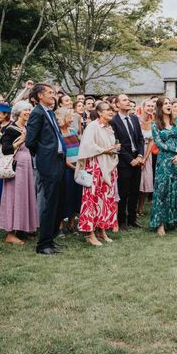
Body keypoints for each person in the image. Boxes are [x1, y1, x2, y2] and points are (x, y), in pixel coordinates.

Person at [25, 83, 66, 255]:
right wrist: (44, 155)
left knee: (58, 203)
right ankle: (43, 245)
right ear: (40, 96)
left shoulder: (49, 112)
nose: (53, 95)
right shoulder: (37, 113)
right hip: (48, 163)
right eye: (50, 93)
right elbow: (30, 142)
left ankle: (51, 238)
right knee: (49, 203)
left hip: (58, 161)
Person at [77, 102, 121, 246]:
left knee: (105, 199)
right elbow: (87, 145)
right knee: (92, 200)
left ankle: (101, 230)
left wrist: (114, 148)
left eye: (111, 110)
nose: (111, 112)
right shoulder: (92, 126)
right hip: (95, 167)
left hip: (107, 167)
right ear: (100, 112)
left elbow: (109, 145)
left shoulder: (109, 127)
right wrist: (105, 150)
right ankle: (89, 233)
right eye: (108, 110)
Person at [0, 101, 38, 245]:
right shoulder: (11, 129)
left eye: (29, 110)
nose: (28, 112)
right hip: (17, 166)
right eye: (25, 110)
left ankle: (23, 228)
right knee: (15, 197)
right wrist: (21, 140)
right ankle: (10, 233)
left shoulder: (27, 127)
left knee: (25, 196)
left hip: (28, 165)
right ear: (18, 112)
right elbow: (5, 149)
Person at [150, 98, 177, 235]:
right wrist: (175, 151)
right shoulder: (155, 124)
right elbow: (158, 142)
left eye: (169, 103)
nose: (168, 106)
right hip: (165, 161)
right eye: (165, 104)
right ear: (160, 107)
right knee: (163, 191)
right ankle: (160, 223)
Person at [110, 94, 145, 229]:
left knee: (135, 191)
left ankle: (132, 218)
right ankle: (122, 220)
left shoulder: (135, 119)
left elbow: (140, 139)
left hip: (137, 158)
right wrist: (130, 160)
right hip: (124, 162)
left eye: (128, 100)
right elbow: (116, 143)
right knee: (123, 192)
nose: (128, 102)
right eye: (124, 100)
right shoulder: (114, 121)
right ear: (117, 104)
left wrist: (140, 155)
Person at [55, 107, 82, 235]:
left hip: (77, 169)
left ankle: (71, 225)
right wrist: (72, 166)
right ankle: (59, 227)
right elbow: (59, 155)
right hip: (65, 170)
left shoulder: (73, 131)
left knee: (76, 196)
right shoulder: (56, 133)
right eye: (70, 117)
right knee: (63, 197)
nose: (72, 120)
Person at [138, 100, 155, 216]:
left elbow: (152, 141)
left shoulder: (153, 123)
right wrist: (139, 156)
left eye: (152, 106)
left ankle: (140, 208)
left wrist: (145, 157)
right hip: (136, 152)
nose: (150, 108)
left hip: (147, 154)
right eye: (148, 105)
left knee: (146, 182)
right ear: (143, 107)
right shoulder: (136, 120)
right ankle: (132, 208)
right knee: (137, 182)